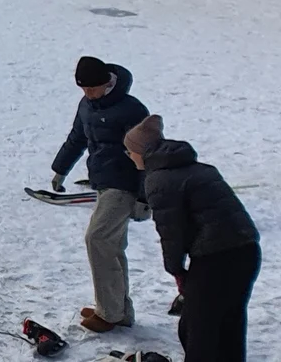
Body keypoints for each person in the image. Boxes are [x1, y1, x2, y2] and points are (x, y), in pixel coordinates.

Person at [128, 115, 261, 361]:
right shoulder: (197, 168)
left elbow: (171, 232)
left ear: (142, 152)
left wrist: (176, 270)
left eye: (130, 151)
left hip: (217, 258)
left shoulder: (158, 180)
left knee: (198, 330)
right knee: (229, 323)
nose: (129, 156)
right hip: (247, 250)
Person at [48, 56, 151, 333]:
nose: (87, 94)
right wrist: (60, 170)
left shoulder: (131, 109)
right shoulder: (86, 105)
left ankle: (109, 312)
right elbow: (77, 137)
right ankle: (119, 310)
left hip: (124, 184)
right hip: (102, 182)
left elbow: (147, 152)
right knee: (112, 247)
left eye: (91, 88)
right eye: (82, 89)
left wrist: (144, 197)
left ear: (107, 83)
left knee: (97, 239)